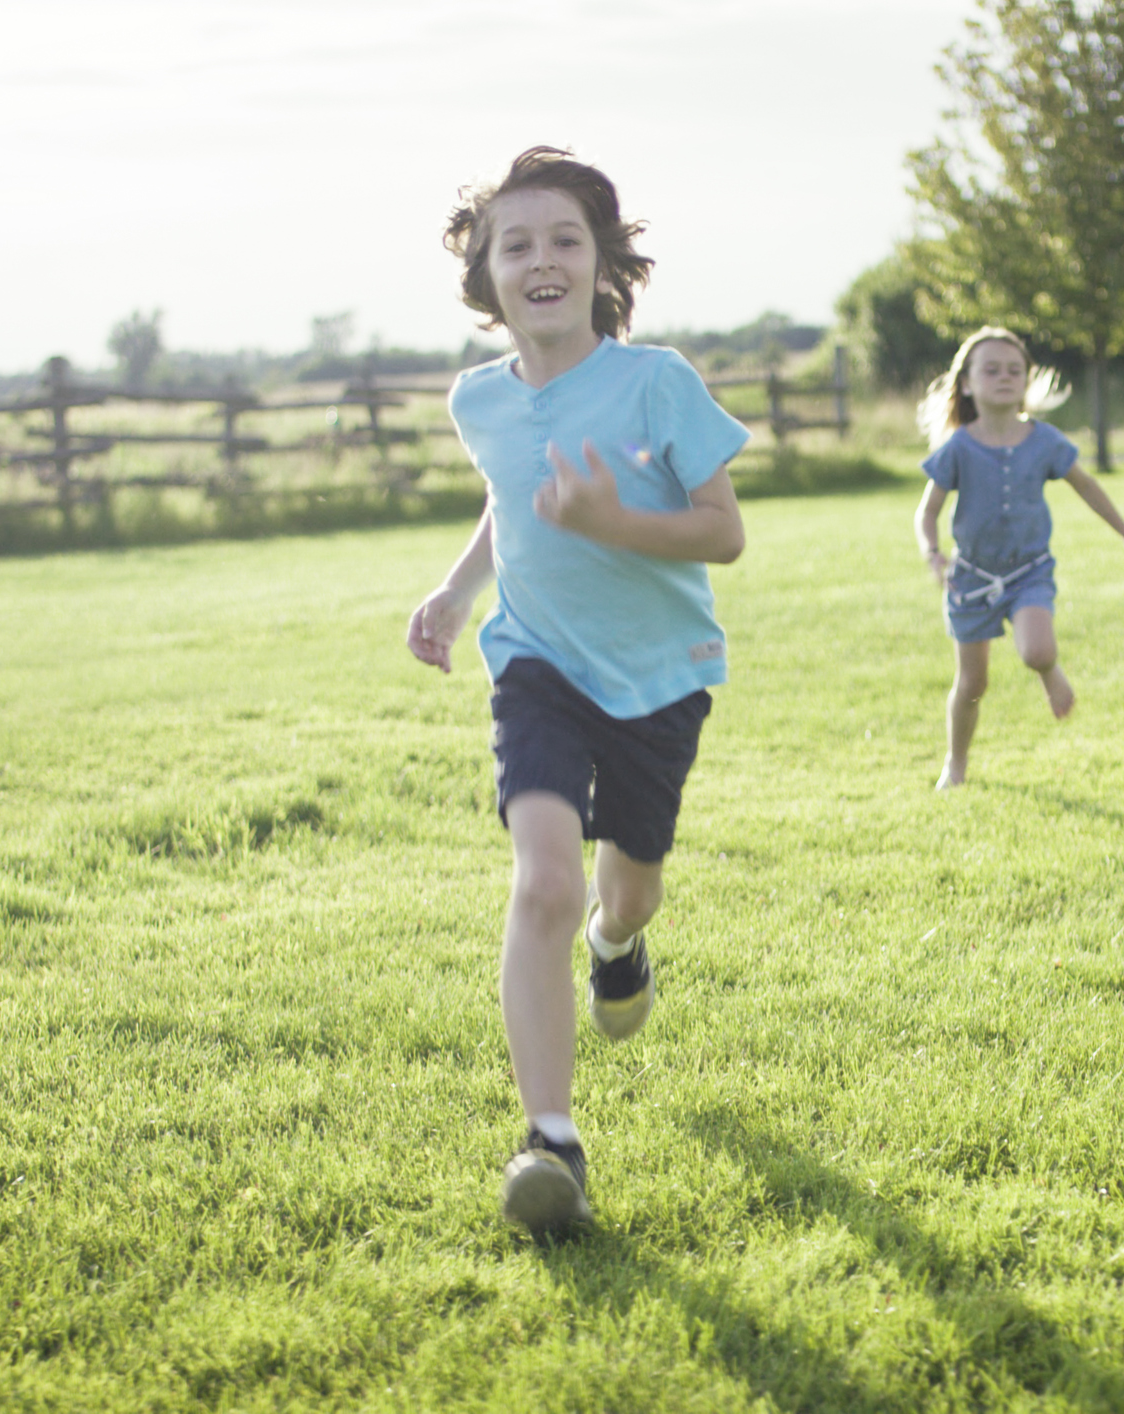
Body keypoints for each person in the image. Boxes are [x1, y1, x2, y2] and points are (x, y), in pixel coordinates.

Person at [405, 147, 750, 1235]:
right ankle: (550, 1138)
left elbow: (723, 530)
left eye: (565, 239)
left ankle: (619, 943)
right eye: (518, 243)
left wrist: (615, 525)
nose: (542, 258)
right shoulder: (478, 401)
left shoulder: (659, 383)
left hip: (659, 680)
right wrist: (459, 593)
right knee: (542, 884)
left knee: (622, 893)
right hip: (537, 666)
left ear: (603, 264)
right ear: (487, 275)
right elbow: (512, 502)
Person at [913, 328, 1124, 788]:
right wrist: (932, 554)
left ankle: (1050, 672)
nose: (1004, 377)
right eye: (991, 370)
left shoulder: (1045, 442)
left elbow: (1086, 486)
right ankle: (955, 765)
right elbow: (928, 511)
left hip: (1029, 571)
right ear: (966, 384)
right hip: (972, 579)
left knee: (1037, 650)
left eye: (1014, 370)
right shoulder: (958, 448)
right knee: (972, 684)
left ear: (1026, 380)